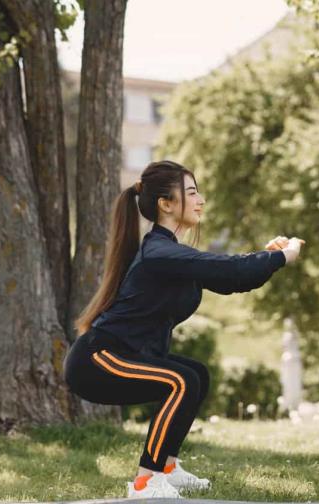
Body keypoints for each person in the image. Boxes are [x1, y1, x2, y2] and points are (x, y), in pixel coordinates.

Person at [64, 160, 304, 499]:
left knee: (196, 374)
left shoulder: (171, 254)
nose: (200, 199)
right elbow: (230, 271)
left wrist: (266, 259)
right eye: (191, 192)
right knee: (181, 381)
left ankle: (167, 468)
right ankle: (145, 482)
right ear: (166, 204)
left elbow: (229, 277)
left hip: (120, 355)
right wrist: (283, 257)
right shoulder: (159, 252)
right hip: (97, 359)